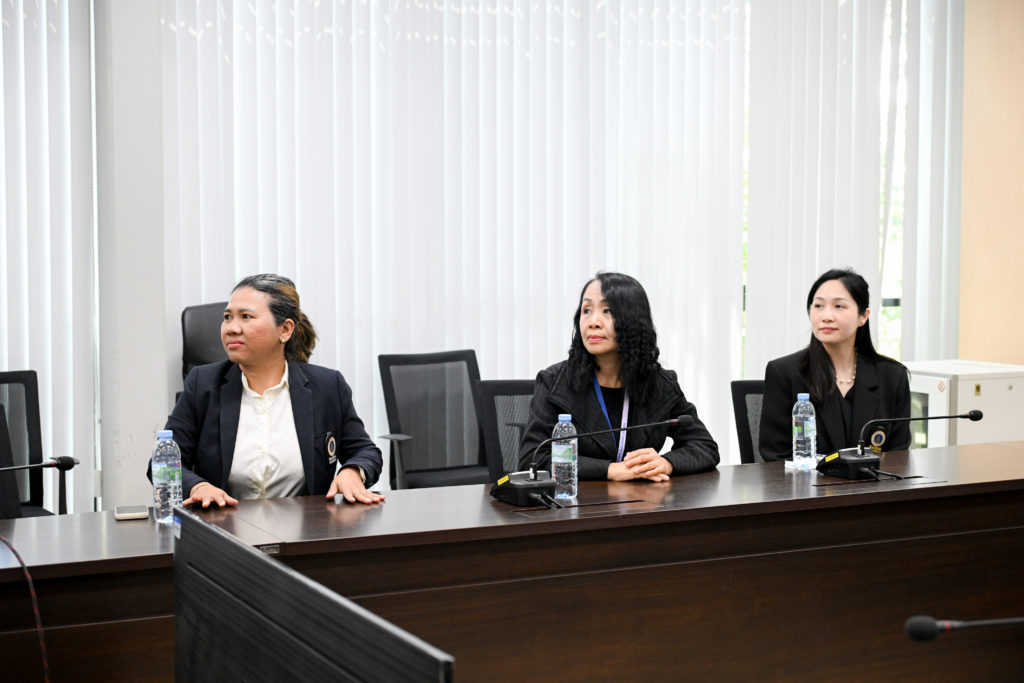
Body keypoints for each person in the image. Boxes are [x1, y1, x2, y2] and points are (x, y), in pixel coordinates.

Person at [153, 274, 385, 507]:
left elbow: (365, 451)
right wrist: (198, 486)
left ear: (285, 330)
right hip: (223, 524)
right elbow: (163, 464)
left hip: (308, 526)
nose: (231, 328)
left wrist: (353, 471)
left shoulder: (327, 386)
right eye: (227, 317)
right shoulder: (202, 384)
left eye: (246, 316)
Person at [519, 272, 719, 481]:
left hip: (642, 499)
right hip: (576, 499)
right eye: (586, 310)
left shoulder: (659, 384)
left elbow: (704, 446)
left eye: (607, 311)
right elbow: (533, 459)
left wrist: (666, 463)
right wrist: (611, 470)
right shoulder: (554, 383)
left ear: (633, 320)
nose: (593, 322)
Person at [758, 268, 910, 461]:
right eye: (818, 306)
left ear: (863, 316)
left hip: (873, 480)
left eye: (839, 306)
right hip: (806, 481)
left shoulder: (892, 377)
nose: (826, 316)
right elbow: (775, 458)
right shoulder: (784, 373)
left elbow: (898, 459)